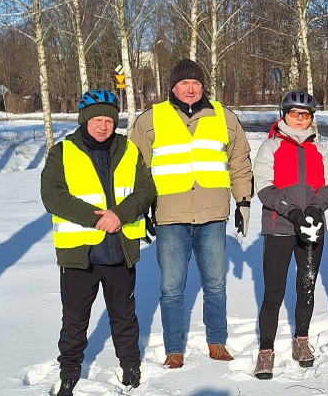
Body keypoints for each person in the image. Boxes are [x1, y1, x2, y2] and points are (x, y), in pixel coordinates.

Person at [131, 58, 253, 368]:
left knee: (215, 284)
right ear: (172, 86)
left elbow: (239, 163)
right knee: (171, 287)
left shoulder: (224, 118)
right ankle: (174, 348)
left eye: (196, 83)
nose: (190, 88)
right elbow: (136, 169)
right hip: (170, 217)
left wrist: (243, 202)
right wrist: (141, 209)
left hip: (213, 215)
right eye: (184, 83)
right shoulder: (151, 120)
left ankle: (217, 341)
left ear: (203, 86)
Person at [40, 89, 156, 396]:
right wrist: (96, 218)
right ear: (84, 121)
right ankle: (69, 372)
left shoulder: (129, 150)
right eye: (96, 120)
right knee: (75, 319)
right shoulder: (63, 152)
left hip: (120, 251)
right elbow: (52, 195)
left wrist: (119, 215)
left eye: (108, 119)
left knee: (124, 315)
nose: (103, 126)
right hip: (80, 256)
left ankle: (130, 366)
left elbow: (146, 190)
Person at [252, 90, 328, 379]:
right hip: (280, 227)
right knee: (274, 291)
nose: (300, 119)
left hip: (311, 227)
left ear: (311, 118)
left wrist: (313, 210)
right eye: (294, 113)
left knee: (306, 285)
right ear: (284, 114)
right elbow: (264, 187)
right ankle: (266, 350)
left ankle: (301, 339)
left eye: (305, 114)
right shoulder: (270, 146)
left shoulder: (320, 148)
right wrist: (292, 212)